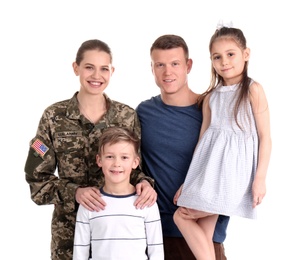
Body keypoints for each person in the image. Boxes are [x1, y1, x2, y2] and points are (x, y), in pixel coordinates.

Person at [24, 39, 157, 260]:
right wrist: (75, 193)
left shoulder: (126, 116)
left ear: (112, 71)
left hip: (116, 233)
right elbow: (37, 182)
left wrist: (145, 183)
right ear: (76, 68)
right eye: (89, 67)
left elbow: (135, 168)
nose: (97, 76)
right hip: (69, 233)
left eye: (104, 68)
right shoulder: (53, 117)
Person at [173, 24, 272, 259]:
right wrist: (188, 184)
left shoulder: (253, 91)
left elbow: (265, 137)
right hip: (208, 176)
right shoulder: (211, 98)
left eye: (230, 54)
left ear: (245, 55)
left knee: (181, 216)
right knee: (204, 238)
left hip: (231, 177)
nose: (224, 62)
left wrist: (260, 179)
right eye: (217, 57)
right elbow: (202, 146)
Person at [136, 34, 230, 260]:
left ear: (188, 65)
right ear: (152, 68)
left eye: (175, 64)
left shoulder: (212, 109)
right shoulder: (142, 113)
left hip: (203, 237)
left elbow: (233, 167)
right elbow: (126, 162)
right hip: (156, 237)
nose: (168, 72)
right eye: (160, 65)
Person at [73, 126, 164, 259]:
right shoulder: (89, 203)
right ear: (99, 160)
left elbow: (156, 250)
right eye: (110, 156)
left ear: (135, 162)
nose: (117, 163)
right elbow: (80, 251)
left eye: (124, 157)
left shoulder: (146, 202)